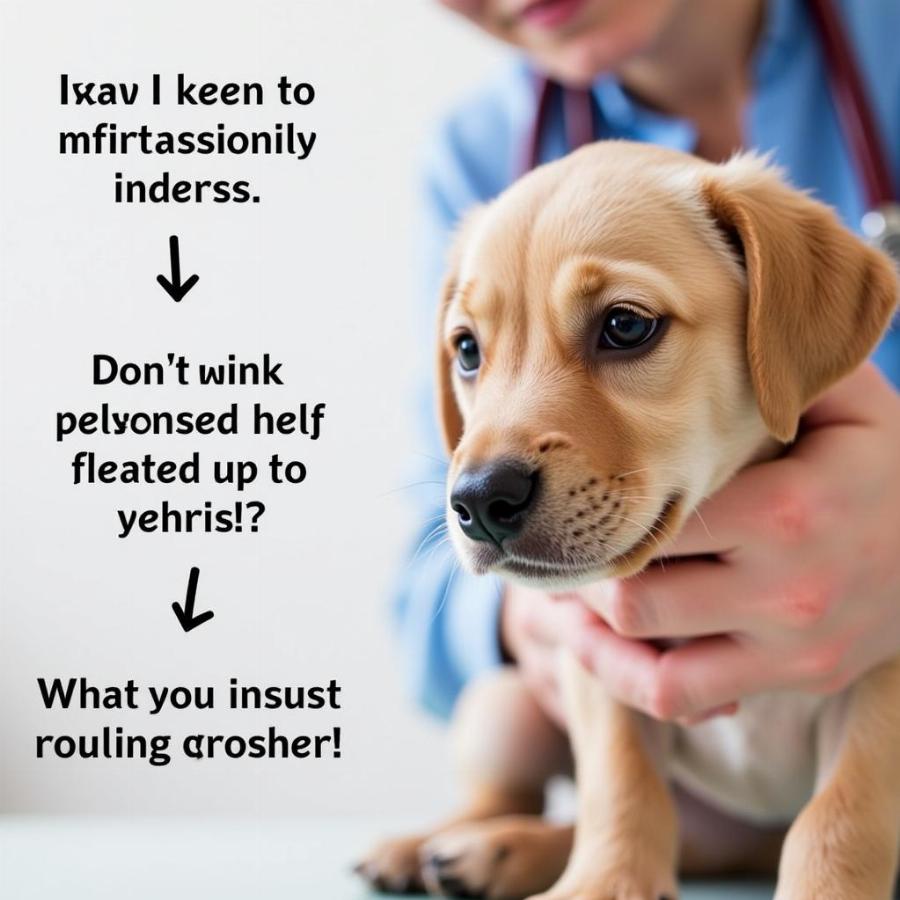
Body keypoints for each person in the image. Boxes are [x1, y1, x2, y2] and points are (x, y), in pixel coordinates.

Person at [394, 0, 900, 728]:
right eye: (469, 349)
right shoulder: (480, 152)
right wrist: (544, 619)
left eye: (624, 327)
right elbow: (424, 600)